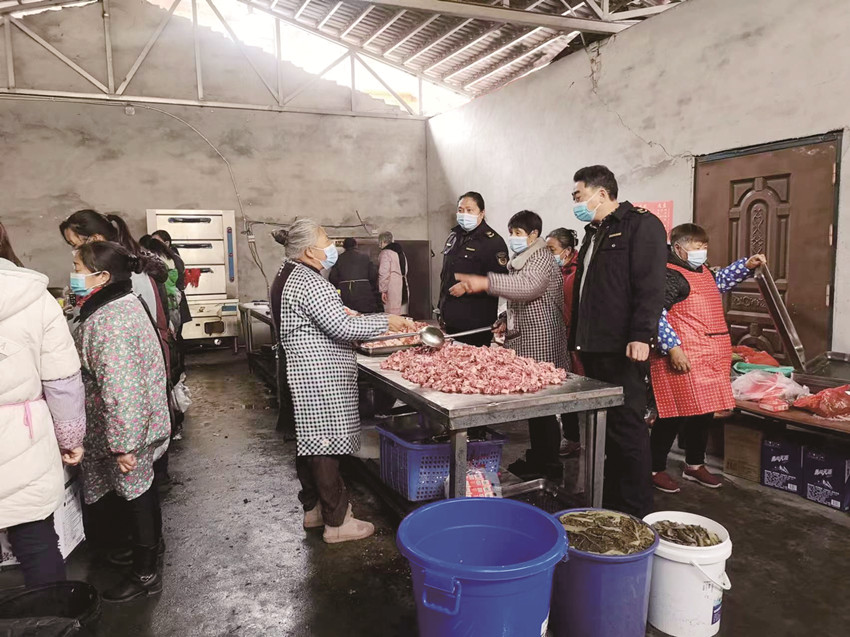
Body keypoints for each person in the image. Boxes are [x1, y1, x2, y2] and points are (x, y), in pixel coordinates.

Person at [275, 219, 415, 544]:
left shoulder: (289, 273)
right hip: (317, 376)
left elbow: (327, 317)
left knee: (309, 442)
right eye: (325, 239)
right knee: (324, 445)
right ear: (309, 251)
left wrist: (345, 313)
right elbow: (342, 328)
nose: (331, 246)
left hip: (304, 372)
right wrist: (386, 321)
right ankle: (337, 522)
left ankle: (314, 509)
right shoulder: (309, 281)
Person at [72, 242, 170, 602]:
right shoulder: (120, 303)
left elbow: (121, 390)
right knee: (141, 489)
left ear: (102, 276)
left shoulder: (110, 321)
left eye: (78, 268)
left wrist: (124, 445)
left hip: (128, 428)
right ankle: (146, 555)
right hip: (135, 423)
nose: (73, 275)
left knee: (137, 493)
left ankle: (145, 573)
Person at [570, 165, 667, 518]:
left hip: (622, 347)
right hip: (593, 346)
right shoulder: (593, 233)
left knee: (627, 429)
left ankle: (637, 510)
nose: (576, 203)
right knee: (607, 430)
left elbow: (650, 285)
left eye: (579, 196)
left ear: (601, 193)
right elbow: (588, 291)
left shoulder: (641, 225)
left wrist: (641, 334)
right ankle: (611, 502)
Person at [651, 224, 766, 493]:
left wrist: (746, 266)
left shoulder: (703, 272)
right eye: (697, 246)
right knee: (673, 414)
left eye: (704, 246)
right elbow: (654, 313)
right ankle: (654, 468)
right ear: (678, 248)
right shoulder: (669, 275)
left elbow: (720, 281)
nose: (702, 251)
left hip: (709, 357)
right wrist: (673, 348)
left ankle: (694, 465)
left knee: (703, 412)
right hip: (683, 356)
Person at [0, 231, 86, 588]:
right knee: (35, 538)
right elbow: (62, 380)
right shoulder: (35, 297)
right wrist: (71, 440)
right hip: (24, 436)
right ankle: (49, 614)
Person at [455, 211, 568, 480]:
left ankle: (549, 466)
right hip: (526, 337)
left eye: (518, 233)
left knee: (544, 408)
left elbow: (528, 288)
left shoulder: (540, 258)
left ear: (534, 234)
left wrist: (485, 282)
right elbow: (521, 299)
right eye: (512, 232)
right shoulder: (524, 258)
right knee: (536, 408)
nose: (513, 238)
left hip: (542, 339)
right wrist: (505, 318)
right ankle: (538, 458)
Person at [439, 192, 509, 346]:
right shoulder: (454, 235)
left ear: (481, 213)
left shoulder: (493, 242)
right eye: (460, 210)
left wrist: (467, 286)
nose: (464, 214)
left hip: (475, 323)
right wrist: (441, 309)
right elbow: (445, 275)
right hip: (450, 319)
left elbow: (501, 281)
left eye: (469, 210)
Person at [547, 228, 582, 458]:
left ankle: (573, 438)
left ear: (567, 251)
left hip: (573, 339)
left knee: (571, 388)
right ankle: (570, 437)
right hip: (559, 336)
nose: (549, 255)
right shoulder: (559, 270)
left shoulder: (575, 274)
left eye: (552, 250)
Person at [150, 230, 193, 333]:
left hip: (173, 303)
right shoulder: (165, 257)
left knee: (173, 335)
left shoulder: (172, 259)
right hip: (172, 303)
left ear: (166, 243)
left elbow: (177, 283)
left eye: (156, 241)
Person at [329, 238, 380, 314]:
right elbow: (373, 275)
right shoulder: (365, 257)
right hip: (364, 291)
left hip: (345, 292)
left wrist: (341, 285)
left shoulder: (338, 259)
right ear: (356, 245)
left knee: (348, 315)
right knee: (366, 315)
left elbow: (332, 278)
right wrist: (371, 287)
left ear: (344, 246)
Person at [377, 232, 409, 316]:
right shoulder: (401, 252)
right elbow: (405, 269)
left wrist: (383, 290)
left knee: (392, 315)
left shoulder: (386, 253)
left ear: (383, 241)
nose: (379, 245)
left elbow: (383, 273)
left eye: (379, 242)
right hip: (403, 284)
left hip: (392, 286)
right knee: (402, 313)